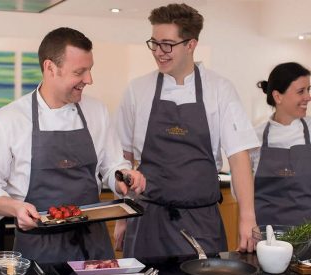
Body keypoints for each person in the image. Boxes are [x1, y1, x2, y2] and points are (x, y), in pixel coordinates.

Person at [0, 27, 146, 263]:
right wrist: (14, 208)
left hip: (93, 247)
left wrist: (123, 176)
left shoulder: (97, 111)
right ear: (50, 68)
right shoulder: (9, 119)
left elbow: (112, 164)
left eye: (90, 70)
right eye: (80, 72)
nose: (89, 80)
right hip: (38, 248)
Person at [114, 3, 260, 258]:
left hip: (200, 222)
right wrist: (122, 214)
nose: (159, 52)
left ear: (191, 44)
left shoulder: (220, 90)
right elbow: (124, 158)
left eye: (167, 44)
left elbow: (239, 159)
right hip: (147, 220)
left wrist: (247, 218)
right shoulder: (137, 90)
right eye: (154, 43)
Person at [252, 62, 311, 226]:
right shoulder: (254, 137)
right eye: (301, 91)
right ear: (278, 97)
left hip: (308, 236)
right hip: (265, 237)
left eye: (309, 89)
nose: (308, 96)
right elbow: (240, 191)